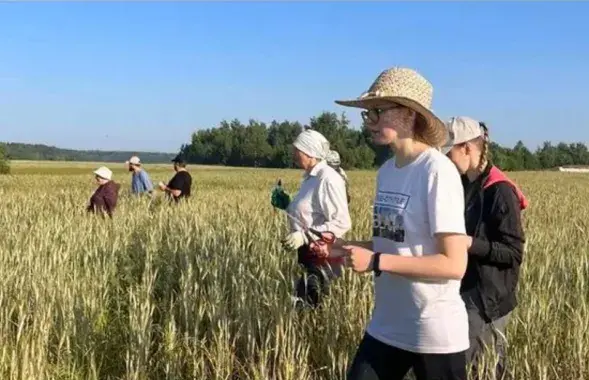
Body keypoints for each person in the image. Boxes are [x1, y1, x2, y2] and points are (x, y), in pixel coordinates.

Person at [333, 67, 470, 380]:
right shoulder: (387, 171)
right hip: (388, 324)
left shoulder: (436, 171)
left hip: (432, 330)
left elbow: (454, 264)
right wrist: (349, 247)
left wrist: (376, 260)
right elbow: (397, 243)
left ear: (410, 115)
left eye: (378, 112)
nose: (370, 122)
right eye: (368, 114)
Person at [440, 116, 528, 379]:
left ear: (466, 148)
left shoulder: (499, 191)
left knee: (484, 368)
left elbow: (513, 253)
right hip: (465, 290)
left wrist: (469, 243)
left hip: (487, 299)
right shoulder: (465, 184)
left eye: (449, 152)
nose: (445, 159)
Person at [274, 128, 351, 308]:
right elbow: (310, 211)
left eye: (297, 150)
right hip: (309, 254)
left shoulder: (328, 179)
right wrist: (287, 205)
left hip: (324, 257)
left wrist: (305, 236)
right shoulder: (311, 178)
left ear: (310, 153)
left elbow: (342, 222)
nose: (293, 154)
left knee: (308, 306)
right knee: (304, 303)